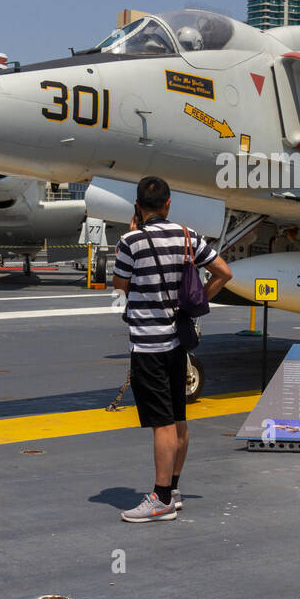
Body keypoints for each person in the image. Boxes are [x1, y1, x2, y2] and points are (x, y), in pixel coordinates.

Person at [112, 176, 232, 523]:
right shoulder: (187, 236)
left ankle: (161, 499)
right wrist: (193, 303)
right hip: (179, 344)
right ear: (167, 205)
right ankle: (174, 489)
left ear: (138, 207)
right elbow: (223, 272)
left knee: (161, 424)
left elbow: (120, 285)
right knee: (179, 419)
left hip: (148, 347)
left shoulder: (129, 241)